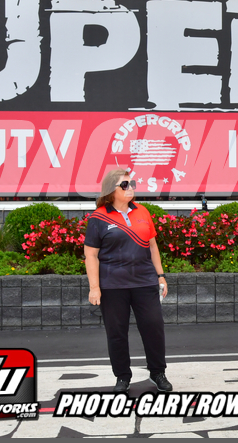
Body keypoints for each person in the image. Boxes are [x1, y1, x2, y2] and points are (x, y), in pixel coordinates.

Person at [84, 168, 172, 393]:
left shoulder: (142, 211)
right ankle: (122, 376)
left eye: (132, 183)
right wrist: (95, 287)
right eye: (124, 185)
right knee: (117, 333)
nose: (130, 188)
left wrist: (160, 275)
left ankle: (157, 372)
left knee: (153, 327)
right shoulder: (98, 218)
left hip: (144, 282)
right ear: (110, 190)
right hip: (112, 285)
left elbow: (153, 246)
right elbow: (91, 255)